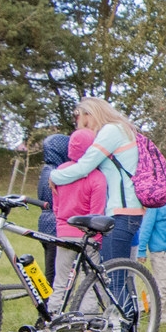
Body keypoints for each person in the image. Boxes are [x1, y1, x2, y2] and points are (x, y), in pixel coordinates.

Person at [49, 97, 143, 308]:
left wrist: (54, 176)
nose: (81, 125)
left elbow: (84, 166)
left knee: (114, 279)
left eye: (80, 119)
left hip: (121, 212)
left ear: (89, 113)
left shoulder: (111, 131)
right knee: (120, 277)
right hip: (128, 212)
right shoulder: (123, 130)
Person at [47, 129, 107, 314]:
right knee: (88, 281)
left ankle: (53, 316)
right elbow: (96, 213)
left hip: (64, 233)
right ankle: (88, 321)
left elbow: (56, 206)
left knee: (61, 279)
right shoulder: (97, 178)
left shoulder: (60, 173)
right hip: (87, 235)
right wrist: (98, 239)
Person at [137, 170, 166, 332]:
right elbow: (146, 229)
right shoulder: (155, 206)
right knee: (165, 286)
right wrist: (141, 250)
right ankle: (153, 313)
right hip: (159, 252)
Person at [36, 133, 70, 274]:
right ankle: (50, 295)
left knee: (51, 266)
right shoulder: (58, 174)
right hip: (55, 225)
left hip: (45, 223)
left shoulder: (46, 171)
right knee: (55, 271)